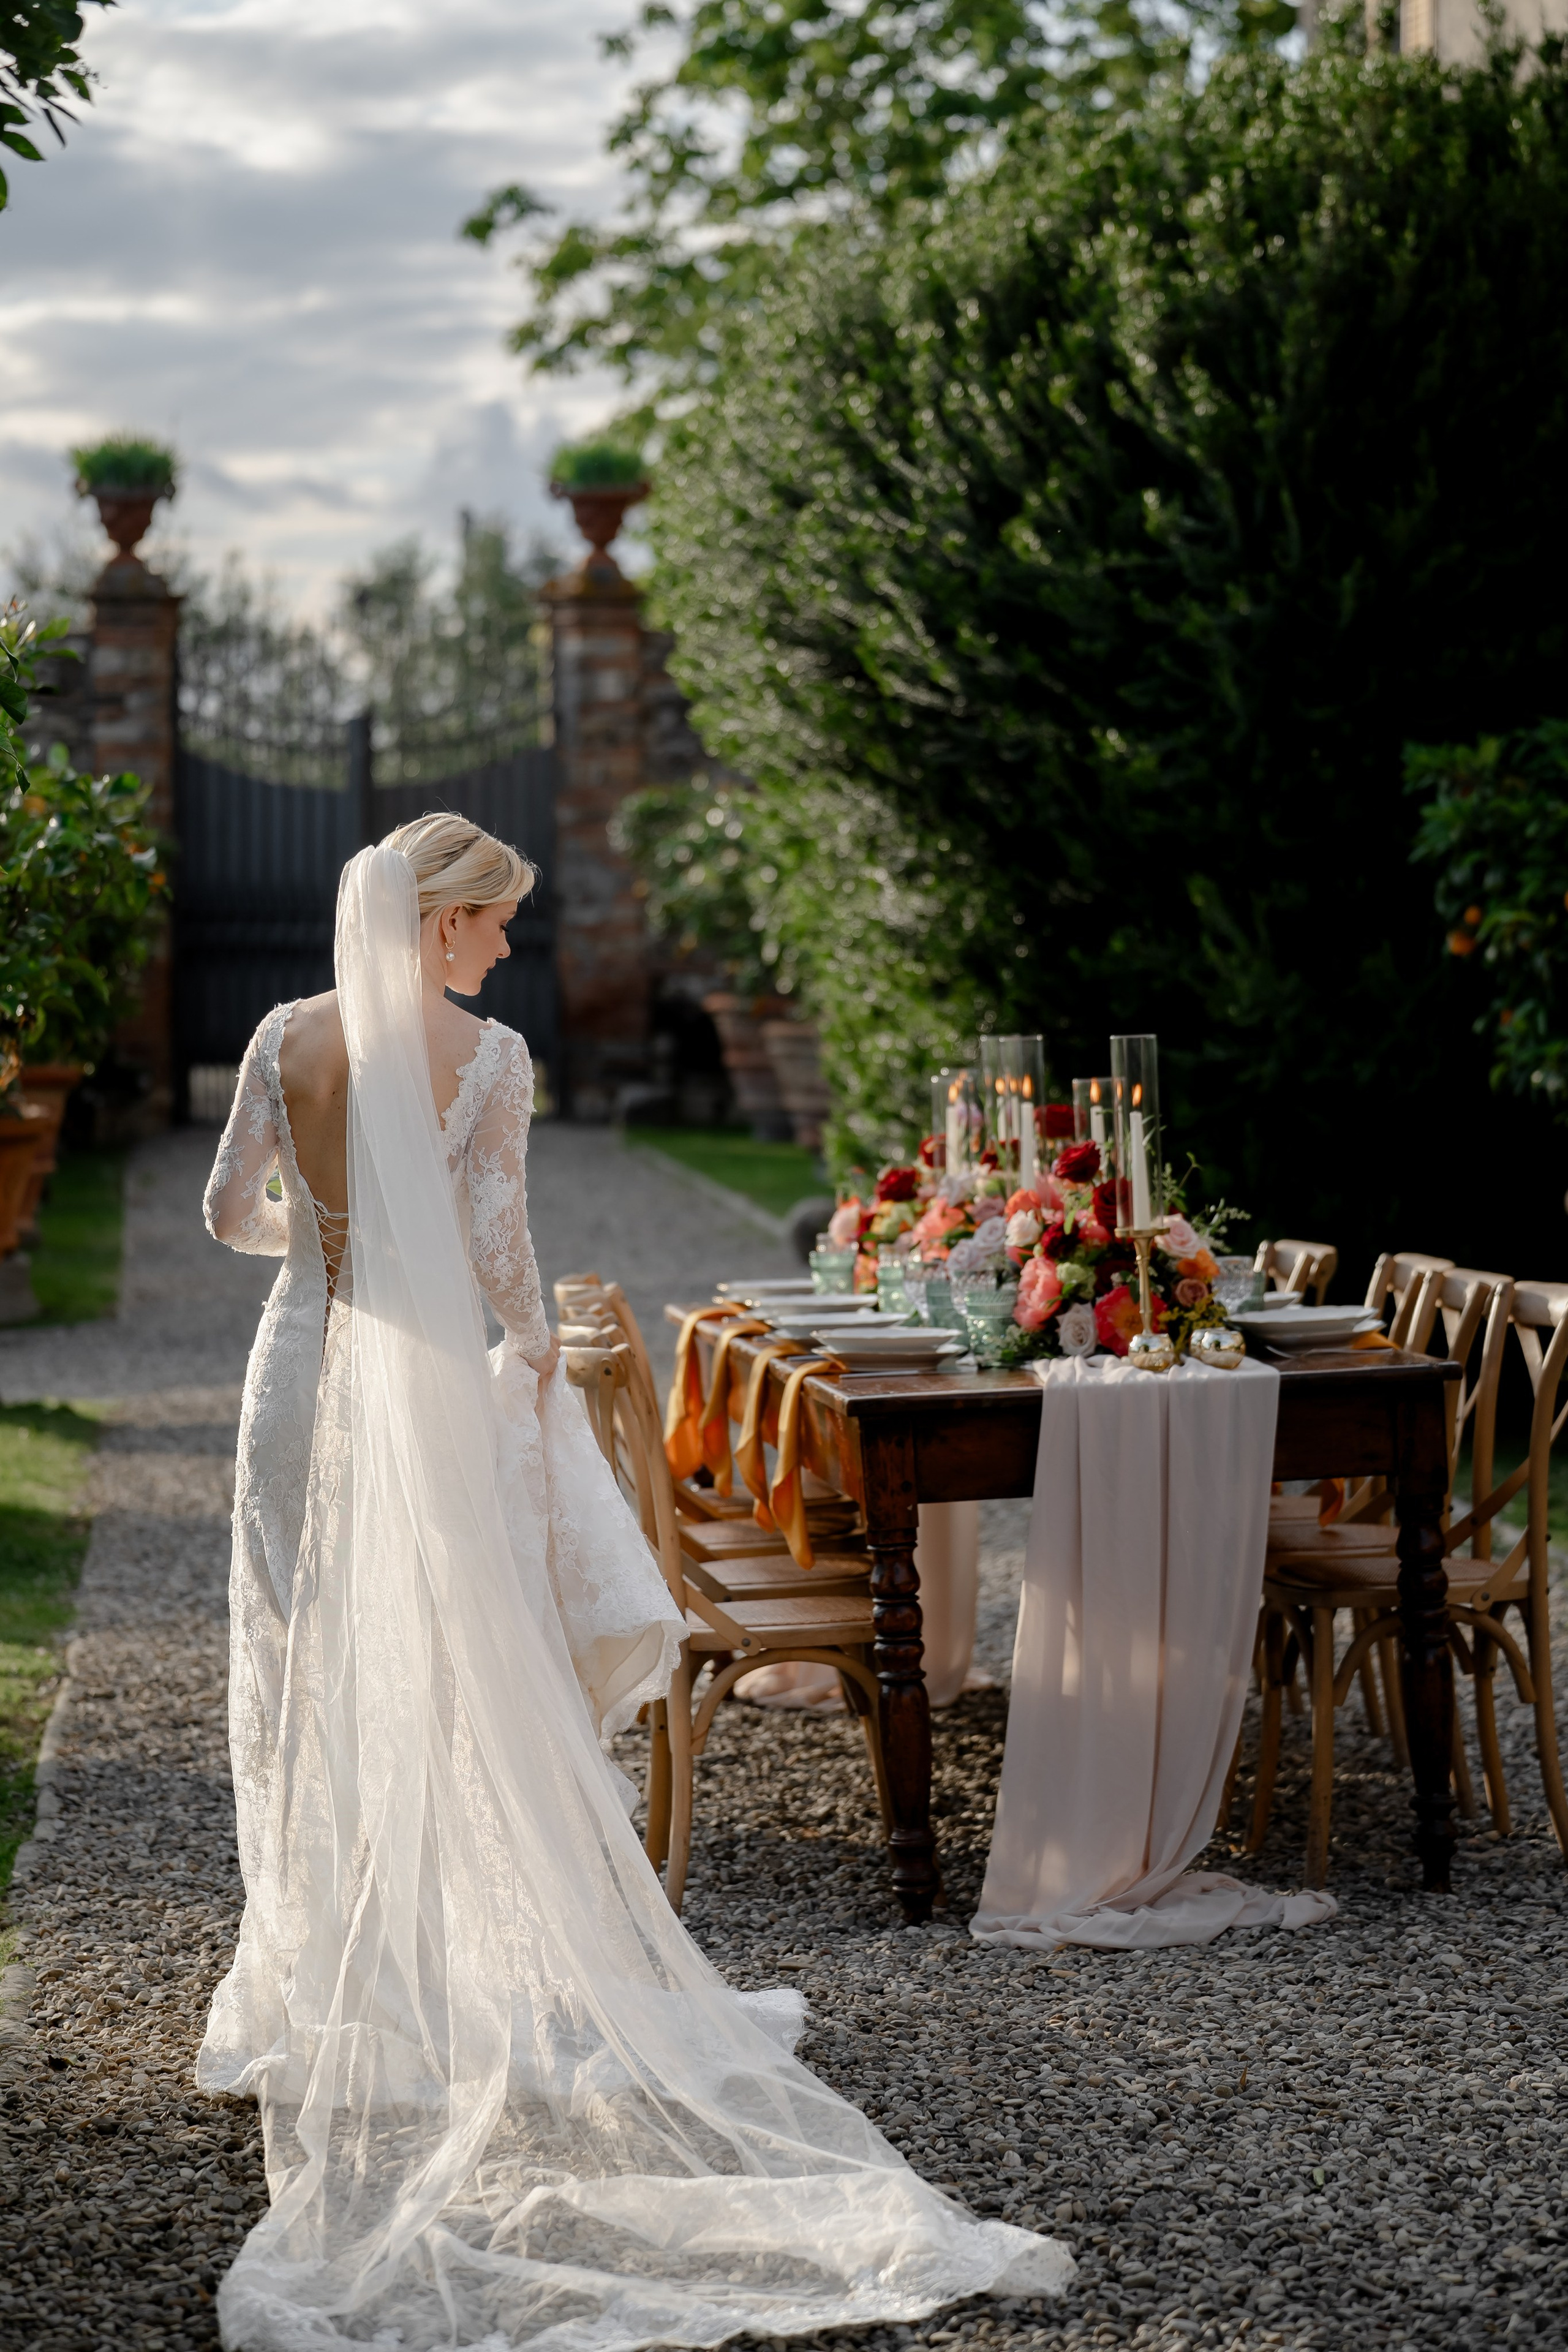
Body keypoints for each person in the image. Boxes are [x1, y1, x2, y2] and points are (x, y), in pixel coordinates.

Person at [198, 817, 1073, 2351]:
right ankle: (406, 1971)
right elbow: (498, 1262)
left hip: (291, 1376)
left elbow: (227, 1219)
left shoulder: (281, 1033)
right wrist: (529, 1358)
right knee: (434, 1668)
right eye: (497, 925)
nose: (509, 949)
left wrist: (320, 1248)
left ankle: (314, 1977)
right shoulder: (489, 1061)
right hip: (407, 1389)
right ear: (444, 923)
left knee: (298, 1663)